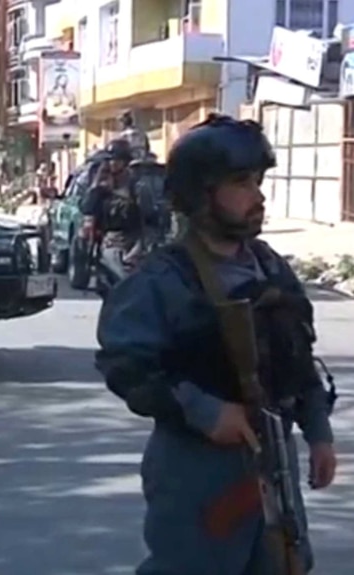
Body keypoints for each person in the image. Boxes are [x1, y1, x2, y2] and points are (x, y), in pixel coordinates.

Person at [95, 114, 336, 574]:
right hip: (197, 468)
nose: (258, 195)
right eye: (241, 182)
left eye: (259, 180)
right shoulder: (164, 279)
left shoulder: (270, 268)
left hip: (272, 460)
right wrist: (206, 411)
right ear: (201, 195)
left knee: (284, 564)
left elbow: (297, 357)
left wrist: (318, 433)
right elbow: (126, 366)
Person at [80, 138, 145, 284]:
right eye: (110, 160)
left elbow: (146, 216)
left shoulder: (135, 184)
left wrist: (138, 245)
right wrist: (97, 184)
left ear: (125, 162)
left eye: (117, 160)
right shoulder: (104, 185)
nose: (112, 163)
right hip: (110, 241)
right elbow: (87, 207)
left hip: (133, 240)